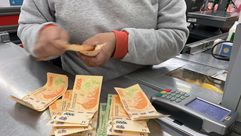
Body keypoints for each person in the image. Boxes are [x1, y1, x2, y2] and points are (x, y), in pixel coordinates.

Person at [18, 0, 189, 80]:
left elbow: (175, 35)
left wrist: (119, 43)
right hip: (73, 86)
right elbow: (29, 24)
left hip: (142, 88)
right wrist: (41, 35)